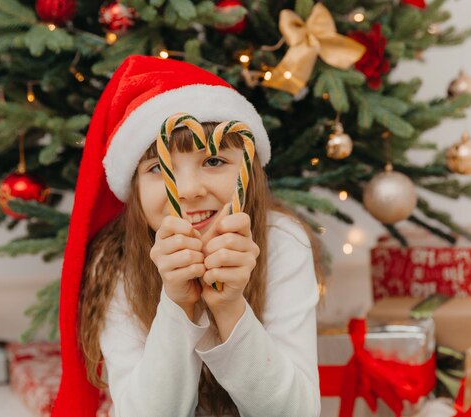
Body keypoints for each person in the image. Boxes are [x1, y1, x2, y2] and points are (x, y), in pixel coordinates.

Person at [52, 55, 321, 417]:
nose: (189, 190)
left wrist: (230, 309)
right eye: (159, 168)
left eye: (213, 161)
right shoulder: (115, 263)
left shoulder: (282, 242)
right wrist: (177, 305)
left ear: (249, 173)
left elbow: (295, 413)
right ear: (134, 188)